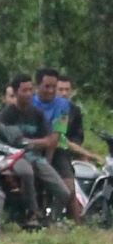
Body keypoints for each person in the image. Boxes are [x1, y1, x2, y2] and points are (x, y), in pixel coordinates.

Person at [0, 74, 70, 228]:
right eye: (24, 90)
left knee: (64, 191)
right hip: (14, 157)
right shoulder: (6, 115)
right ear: (15, 92)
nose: (28, 94)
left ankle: (51, 220)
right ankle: (32, 214)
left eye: (31, 90)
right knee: (27, 172)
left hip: (36, 156)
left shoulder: (38, 114)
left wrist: (27, 142)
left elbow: (49, 140)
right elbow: (1, 140)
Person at [32, 68, 79, 223]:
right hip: (34, 148)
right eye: (47, 86)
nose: (51, 91)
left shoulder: (63, 105)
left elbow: (55, 137)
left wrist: (48, 163)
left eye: (54, 86)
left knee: (69, 188)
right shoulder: (31, 103)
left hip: (57, 149)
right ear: (38, 86)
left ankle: (62, 221)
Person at [58, 76, 104, 164]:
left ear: (72, 91)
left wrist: (76, 149)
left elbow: (78, 135)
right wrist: (88, 154)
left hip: (70, 148)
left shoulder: (75, 110)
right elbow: (58, 138)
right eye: (60, 89)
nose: (64, 93)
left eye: (67, 90)